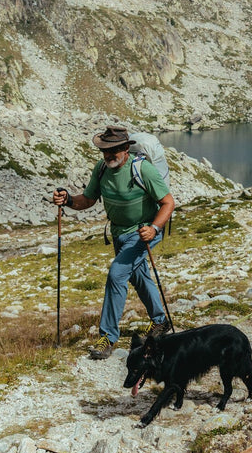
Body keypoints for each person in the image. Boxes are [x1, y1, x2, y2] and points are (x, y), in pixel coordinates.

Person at [53, 125, 176, 360]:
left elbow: (168, 203)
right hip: (119, 233)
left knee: (117, 274)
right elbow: (88, 199)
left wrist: (154, 228)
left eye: (113, 151)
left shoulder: (143, 170)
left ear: (124, 149)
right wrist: (68, 199)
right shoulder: (101, 169)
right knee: (138, 276)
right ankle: (160, 321)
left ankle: (107, 338)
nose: (108, 155)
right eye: (104, 151)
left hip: (142, 233)